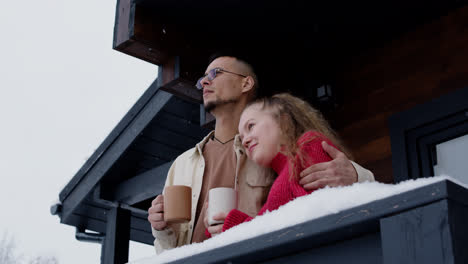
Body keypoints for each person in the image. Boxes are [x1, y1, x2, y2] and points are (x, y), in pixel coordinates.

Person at [147, 55, 374, 253]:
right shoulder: (182, 164)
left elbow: (311, 206)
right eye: (202, 78)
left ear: (246, 82)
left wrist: (355, 174)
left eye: (215, 73)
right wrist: (161, 230)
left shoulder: (270, 146)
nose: (204, 81)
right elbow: (167, 250)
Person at [204, 93, 351, 235]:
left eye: (251, 126)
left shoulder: (309, 144)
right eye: (242, 137)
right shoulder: (282, 179)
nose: (245, 141)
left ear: (284, 122)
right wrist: (224, 225)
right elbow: (269, 230)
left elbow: (319, 216)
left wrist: (235, 225)